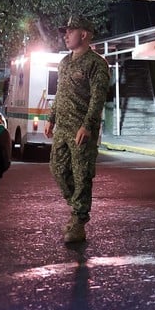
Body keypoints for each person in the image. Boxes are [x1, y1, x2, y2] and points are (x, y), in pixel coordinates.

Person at [44, 15, 111, 243]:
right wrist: (51, 118)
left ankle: (78, 221)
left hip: (81, 130)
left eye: (70, 31)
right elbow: (60, 93)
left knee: (82, 176)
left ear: (83, 34)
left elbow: (97, 99)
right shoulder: (64, 62)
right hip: (62, 127)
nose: (65, 35)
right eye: (65, 32)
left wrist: (87, 125)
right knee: (58, 169)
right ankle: (77, 208)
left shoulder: (96, 64)